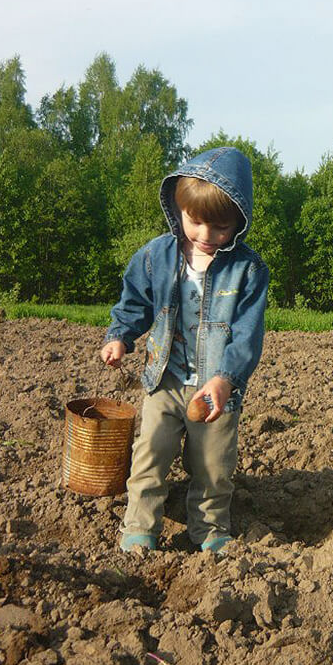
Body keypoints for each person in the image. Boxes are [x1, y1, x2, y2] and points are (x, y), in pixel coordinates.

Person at [101, 147, 269, 553]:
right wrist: (120, 336)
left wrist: (226, 380)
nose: (206, 236)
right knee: (150, 454)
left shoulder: (248, 270)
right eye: (196, 222)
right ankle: (140, 528)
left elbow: (247, 335)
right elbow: (135, 301)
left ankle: (209, 532)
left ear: (239, 223)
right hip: (165, 378)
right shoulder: (156, 257)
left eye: (220, 228)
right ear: (178, 210)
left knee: (214, 467)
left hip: (214, 391)